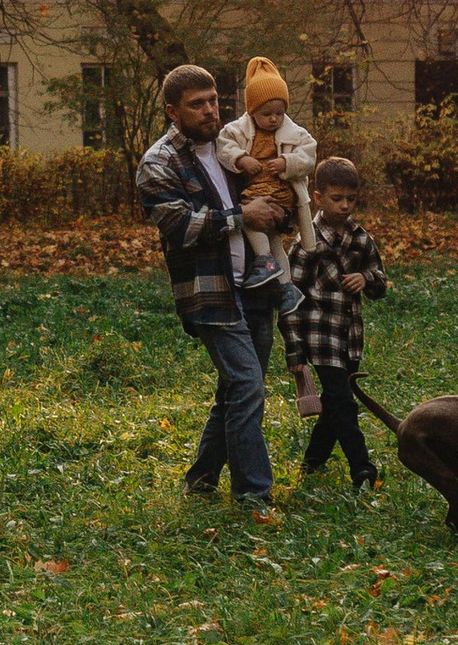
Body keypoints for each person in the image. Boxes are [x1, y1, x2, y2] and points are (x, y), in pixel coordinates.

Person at [135, 58, 294, 511]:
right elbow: (179, 226)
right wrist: (243, 216)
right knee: (247, 384)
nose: (209, 111)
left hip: (258, 283)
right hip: (210, 291)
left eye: (214, 101)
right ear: (172, 110)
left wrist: (277, 210)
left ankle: (201, 478)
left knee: (235, 387)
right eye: (197, 104)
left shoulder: (234, 148)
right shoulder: (159, 162)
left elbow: (273, 197)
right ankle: (253, 494)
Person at [283, 154, 388, 485]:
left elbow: (380, 283)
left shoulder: (361, 238)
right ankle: (362, 468)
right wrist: (295, 350)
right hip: (319, 337)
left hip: (350, 336)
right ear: (318, 197)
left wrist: (366, 278)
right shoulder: (306, 242)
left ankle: (311, 464)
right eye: (336, 198)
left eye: (351, 199)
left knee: (333, 404)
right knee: (343, 401)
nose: (345, 206)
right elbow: (289, 298)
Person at [215, 54, 317, 310]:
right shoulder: (238, 130)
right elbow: (223, 146)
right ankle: (286, 289)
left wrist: (288, 162)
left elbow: (309, 156)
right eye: (266, 113)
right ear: (252, 110)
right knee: (273, 239)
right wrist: (240, 159)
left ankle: (264, 261)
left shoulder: (295, 133)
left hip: (281, 193)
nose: (274, 119)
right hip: (255, 190)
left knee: (248, 218)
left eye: (279, 113)